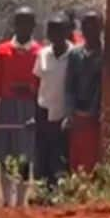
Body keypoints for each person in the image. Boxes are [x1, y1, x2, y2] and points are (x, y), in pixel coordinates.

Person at [0, 6, 42, 207]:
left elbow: (42, 82)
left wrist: (30, 90)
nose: (24, 27)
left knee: (25, 154)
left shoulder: (39, 52)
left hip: (29, 107)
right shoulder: (2, 51)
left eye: (28, 23)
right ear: (14, 25)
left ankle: (20, 200)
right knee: (5, 153)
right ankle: (6, 199)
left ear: (33, 26)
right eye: (20, 22)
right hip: (6, 108)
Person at [32, 13, 74, 199]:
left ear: (67, 31)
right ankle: (42, 198)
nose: (54, 34)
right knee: (42, 160)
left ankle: (59, 199)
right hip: (43, 113)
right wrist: (35, 115)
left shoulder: (75, 55)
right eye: (51, 30)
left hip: (63, 115)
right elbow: (37, 85)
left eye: (59, 29)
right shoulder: (42, 54)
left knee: (60, 161)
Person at [63, 10, 104, 175]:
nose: (89, 28)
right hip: (77, 116)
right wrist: (70, 114)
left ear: (101, 27)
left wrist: (93, 114)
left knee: (93, 161)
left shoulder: (107, 54)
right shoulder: (74, 54)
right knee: (75, 160)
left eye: (94, 24)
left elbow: (103, 86)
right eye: (85, 24)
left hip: (96, 119)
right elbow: (69, 86)